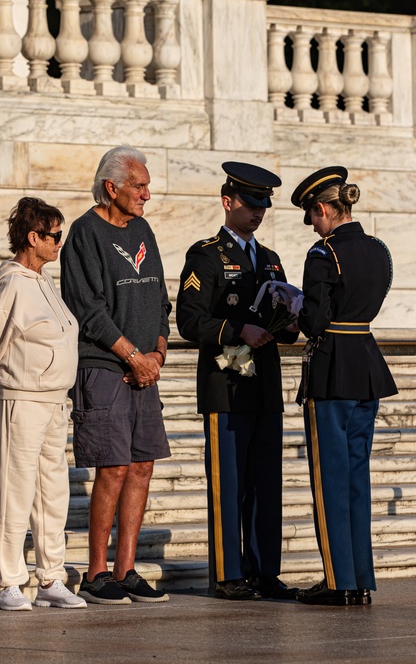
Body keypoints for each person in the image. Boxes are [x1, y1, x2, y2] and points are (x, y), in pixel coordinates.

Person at [175, 162, 300, 601]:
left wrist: (288, 322)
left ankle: (265, 570)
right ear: (228, 202)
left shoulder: (270, 259)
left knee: (266, 482)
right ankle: (229, 573)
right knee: (229, 481)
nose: (258, 212)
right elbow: (190, 321)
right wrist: (236, 329)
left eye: (263, 204)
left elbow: (283, 318)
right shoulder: (206, 255)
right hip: (225, 384)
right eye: (250, 203)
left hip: (263, 383)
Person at [60, 145, 172, 605]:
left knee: (142, 466)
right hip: (105, 367)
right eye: (139, 186)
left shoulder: (142, 229)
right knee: (113, 468)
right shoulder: (84, 235)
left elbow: (161, 299)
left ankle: (126, 569)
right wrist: (131, 356)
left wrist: (158, 354)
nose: (147, 194)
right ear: (113, 187)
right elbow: (88, 310)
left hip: (147, 367)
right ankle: (95, 572)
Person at [290, 166, 398, 607]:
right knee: (356, 479)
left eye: (312, 217)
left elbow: (314, 321)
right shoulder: (380, 250)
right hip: (367, 364)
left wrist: (294, 306)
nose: (313, 227)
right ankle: (359, 580)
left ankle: (338, 581)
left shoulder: (323, 254)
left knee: (330, 479)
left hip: (333, 367)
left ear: (323, 208)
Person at [0, 197, 86, 612]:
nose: (60, 242)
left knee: (52, 493)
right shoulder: (12, 283)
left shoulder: (43, 282)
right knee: (17, 492)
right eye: (54, 235)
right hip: (21, 399)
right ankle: (9, 581)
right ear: (32, 237)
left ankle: (51, 577)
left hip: (55, 402)